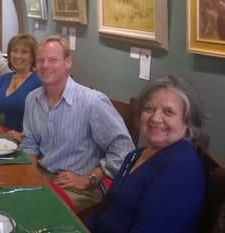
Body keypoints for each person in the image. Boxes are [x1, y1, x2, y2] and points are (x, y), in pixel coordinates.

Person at [21, 35, 135, 213]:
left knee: (36, 210)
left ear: (68, 62)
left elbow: (125, 150)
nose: (45, 66)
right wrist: (30, 177)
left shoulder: (92, 102)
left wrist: (90, 178)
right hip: (43, 174)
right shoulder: (32, 99)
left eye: (53, 60)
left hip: (80, 186)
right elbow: (29, 142)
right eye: (40, 60)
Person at [85, 74, 208, 233]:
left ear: (188, 122)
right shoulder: (136, 154)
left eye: (169, 112)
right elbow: (108, 211)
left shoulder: (181, 169)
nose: (155, 118)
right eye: (149, 109)